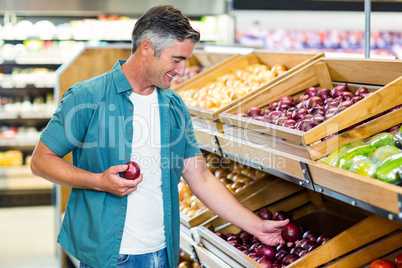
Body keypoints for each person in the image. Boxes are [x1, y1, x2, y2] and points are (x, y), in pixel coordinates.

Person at [30, 5, 290, 268]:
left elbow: (200, 177)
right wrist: (98, 181)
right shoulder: (87, 96)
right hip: (111, 257)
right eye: (176, 59)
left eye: (185, 61)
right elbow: (41, 161)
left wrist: (257, 226)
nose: (181, 70)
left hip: (164, 253)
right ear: (146, 48)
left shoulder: (174, 106)